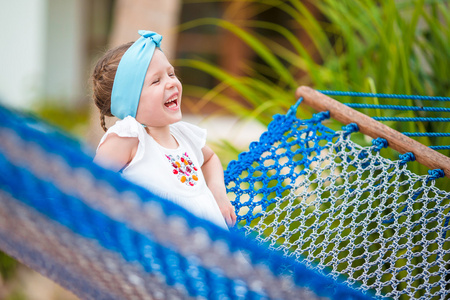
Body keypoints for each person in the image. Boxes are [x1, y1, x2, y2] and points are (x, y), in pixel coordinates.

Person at [91, 30, 236, 230]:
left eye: (171, 73)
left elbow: (210, 159)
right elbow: (91, 185)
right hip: (163, 253)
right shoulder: (131, 137)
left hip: (212, 247)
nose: (171, 83)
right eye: (156, 81)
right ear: (130, 103)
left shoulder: (184, 135)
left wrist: (218, 193)